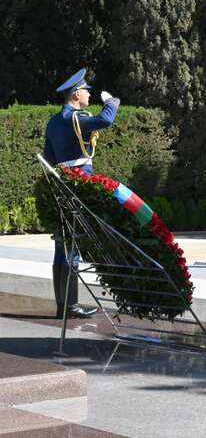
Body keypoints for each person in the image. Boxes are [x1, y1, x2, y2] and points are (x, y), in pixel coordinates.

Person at [43, 68, 121, 319]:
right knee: (72, 243)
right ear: (76, 94)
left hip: (62, 184)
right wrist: (112, 102)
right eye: (86, 91)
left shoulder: (54, 121)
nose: (89, 94)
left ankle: (63, 306)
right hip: (78, 183)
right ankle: (71, 307)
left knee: (62, 244)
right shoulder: (75, 117)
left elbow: (49, 159)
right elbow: (105, 120)